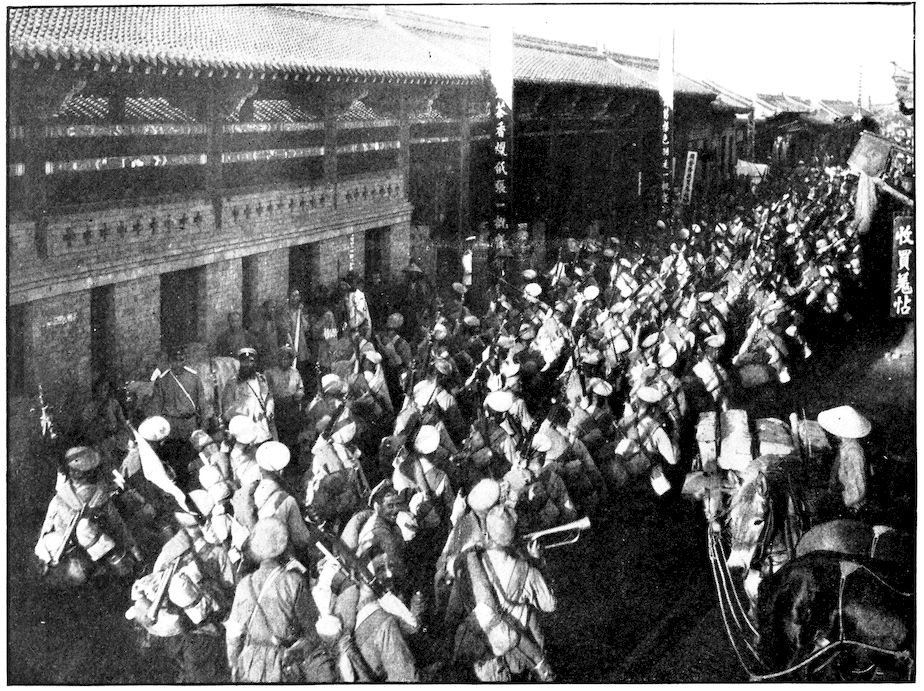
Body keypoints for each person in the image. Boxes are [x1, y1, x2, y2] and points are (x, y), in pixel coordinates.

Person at [443, 504, 556, 682]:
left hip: (480, 652)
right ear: (515, 536)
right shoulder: (525, 570)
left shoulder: (471, 560)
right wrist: (538, 562)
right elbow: (549, 605)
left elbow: (453, 611)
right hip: (517, 655)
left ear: (487, 532)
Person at [225, 518, 333, 683]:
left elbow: (233, 635)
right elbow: (312, 632)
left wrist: (235, 665)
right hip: (283, 665)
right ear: (284, 547)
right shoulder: (293, 582)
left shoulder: (244, 584)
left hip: (251, 665)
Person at [35, 446, 142, 588]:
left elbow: (117, 524)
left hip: (88, 556)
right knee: (84, 528)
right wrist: (134, 550)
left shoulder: (66, 497)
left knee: (85, 528)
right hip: (72, 559)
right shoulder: (64, 499)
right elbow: (118, 525)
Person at [148, 346, 206, 479]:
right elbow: (157, 408)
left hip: (190, 424)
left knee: (191, 459)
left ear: (185, 360)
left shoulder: (194, 378)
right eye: (175, 360)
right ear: (170, 361)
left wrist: (203, 426)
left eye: (181, 360)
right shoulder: (163, 381)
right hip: (172, 427)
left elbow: (202, 404)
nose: (178, 363)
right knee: (174, 460)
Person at [818, 405, 872, 512]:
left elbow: (858, 488)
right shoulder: (844, 447)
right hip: (844, 495)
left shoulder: (853, 452)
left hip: (853, 506)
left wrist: (843, 506)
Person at [221, 347, 277, 444]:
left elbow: (268, 397)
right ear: (240, 363)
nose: (247, 365)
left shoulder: (261, 379)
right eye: (244, 361)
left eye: (250, 361)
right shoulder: (232, 383)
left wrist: (269, 409)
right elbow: (226, 410)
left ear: (255, 363)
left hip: (261, 428)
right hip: (242, 431)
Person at [264, 345, 305, 449]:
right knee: (279, 434)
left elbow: (300, 388)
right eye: (282, 358)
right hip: (277, 407)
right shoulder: (270, 373)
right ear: (278, 359)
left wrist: (298, 394)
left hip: (292, 407)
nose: (285, 360)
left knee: (292, 434)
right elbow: (266, 391)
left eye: (287, 358)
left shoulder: (295, 372)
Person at [284, 289, 313, 387]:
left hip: (301, 345)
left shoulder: (300, 312)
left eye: (297, 296)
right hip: (291, 344)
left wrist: (301, 315)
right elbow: (286, 331)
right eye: (293, 296)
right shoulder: (286, 312)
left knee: (301, 368)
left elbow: (306, 327)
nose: (295, 298)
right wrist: (292, 346)